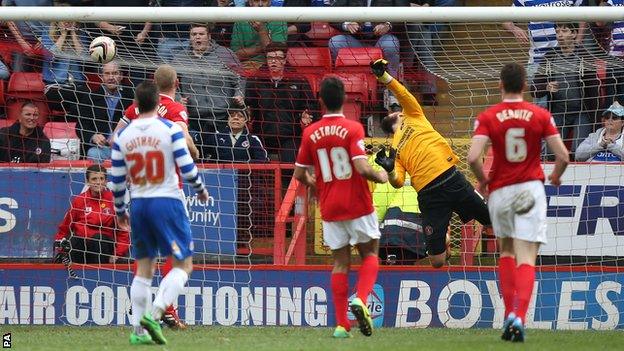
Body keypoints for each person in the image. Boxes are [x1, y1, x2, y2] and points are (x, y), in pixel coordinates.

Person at [467, 62, 569, 343]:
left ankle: (506, 316)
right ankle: (519, 316)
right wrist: (556, 177)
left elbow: (473, 157)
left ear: (500, 85)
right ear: (524, 86)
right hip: (529, 189)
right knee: (527, 255)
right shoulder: (540, 114)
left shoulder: (488, 116)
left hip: (500, 191)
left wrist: (484, 180)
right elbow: (563, 156)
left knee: (507, 252)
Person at [110, 81, 208, 345]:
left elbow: (116, 179)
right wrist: (199, 188)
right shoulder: (170, 129)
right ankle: (155, 313)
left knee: (144, 269)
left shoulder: (123, 136)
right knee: (184, 264)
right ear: (157, 102)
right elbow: (186, 167)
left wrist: (120, 210)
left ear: (136, 104)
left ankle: (137, 332)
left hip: (139, 204)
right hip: (167, 201)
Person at [371, 58, 490, 269]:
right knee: (437, 261)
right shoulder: (394, 149)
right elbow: (398, 182)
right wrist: (389, 170)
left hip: (450, 178)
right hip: (429, 195)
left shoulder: (414, 115)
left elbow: (403, 93)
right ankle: (445, 247)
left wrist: (385, 77)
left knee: (492, 220)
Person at [293, 76, 388, 338]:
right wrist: (380, 176)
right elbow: (360, 167)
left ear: (320, 100)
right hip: (357, 202)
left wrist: (318, 183)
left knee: (340, 263)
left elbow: (300, 174)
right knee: (370, 254)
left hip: (330, 205)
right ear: (345, 98)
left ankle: (340, 325)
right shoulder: (353, 128)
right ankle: (361, 299)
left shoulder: (310, 132)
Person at [245, 43, 317, 164]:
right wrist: (247, 110)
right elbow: (248, 104)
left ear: (284, 60)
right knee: (256, 167)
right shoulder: (255, 80)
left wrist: (307, 115)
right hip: (262, 134)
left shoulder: (298, 80)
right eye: (270, 58)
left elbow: (312, 106)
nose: (273, 61)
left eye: (277, 58)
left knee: (290, 164)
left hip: (290, 135)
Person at [531, 22, 595, 154]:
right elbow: (533, 89)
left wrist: (595, 117)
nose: (560, 35)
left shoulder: (585, 56)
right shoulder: (549, 57)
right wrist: (546, 87)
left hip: (581, 112)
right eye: (558, 31)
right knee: (550, 153)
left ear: (574, 34)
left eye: (564, 31)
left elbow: (594, 90)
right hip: (559, 111)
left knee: (580, 152)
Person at [115, 64, 200, 161]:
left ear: (154, 83)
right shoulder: (176, 109)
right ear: (177, 83)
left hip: (137, 165)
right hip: (163, 166)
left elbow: (114, 138)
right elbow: (185, 139)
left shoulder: (135, 107)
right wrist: (195, 154)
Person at [172, 22, 244, 135]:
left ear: (209, 36)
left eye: (201, 34)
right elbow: (171, 84)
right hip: (193, 118)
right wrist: (178, 98)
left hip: (222, 117)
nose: (197, 37)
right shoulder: (180, 58)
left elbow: (240, 78)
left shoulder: (225, 54)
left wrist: (239, 94)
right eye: (193, 34)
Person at [54, 164, 130, 264]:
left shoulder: (114, 201)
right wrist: (59, 246)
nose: (98, 182)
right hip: (82, 246)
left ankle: (99, 276)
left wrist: (117, 254)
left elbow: (124, 232)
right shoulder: (80, 200)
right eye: (94, 179)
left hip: (103, 247)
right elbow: (65, 227)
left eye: (101, 179)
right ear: (87, 182)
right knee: (74, 240)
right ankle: (74, 275)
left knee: (98, 239)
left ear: (106, 181)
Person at [76, 60, 134, 162]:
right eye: (107, 74)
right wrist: (93, 136)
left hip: (126, 147)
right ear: (101, 77)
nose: (111, 77)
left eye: (115, 73)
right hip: (101, 149)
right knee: (93, 154)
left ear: (121, 76)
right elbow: (81, 126)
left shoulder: (131, 97)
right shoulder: (90, 98)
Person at [230, 0, 288, 71]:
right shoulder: (241, 21)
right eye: (256, 0)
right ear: (250, 3)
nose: (260, 4)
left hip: (271, 66)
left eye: (264, 1)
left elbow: (276, 55)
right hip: (245, 66)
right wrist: (264, 46)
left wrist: (262, 31)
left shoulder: (279, 21)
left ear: (269, 2)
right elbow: (236, 56)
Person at [204, 99, 269, 162]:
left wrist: (242, 165)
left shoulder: (252, 139)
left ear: (246, 120)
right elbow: (204, 155)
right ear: (228, 119)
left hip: (244, 173)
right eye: (232, 116)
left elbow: (261, 160)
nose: (235, 118)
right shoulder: (216, 137)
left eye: (240, 116)